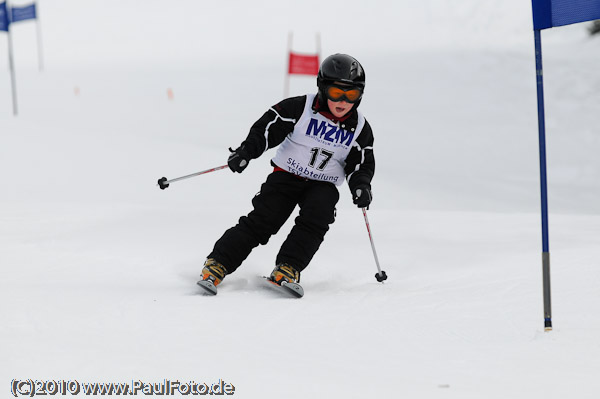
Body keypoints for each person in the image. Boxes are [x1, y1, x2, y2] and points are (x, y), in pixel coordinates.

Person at [199, 53, 375, 294]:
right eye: (336, 92)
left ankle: (288, 267)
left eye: (351, 94)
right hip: (287, 176)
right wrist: (246, 152)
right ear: (323, 88)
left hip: (323, 184)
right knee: (263, 220)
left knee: (317, 218)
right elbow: (268, 128)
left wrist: (361, 185)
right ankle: (218, 263)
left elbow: (361, 162)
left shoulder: (360, 128)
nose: (343, 100)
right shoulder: (299, 107)